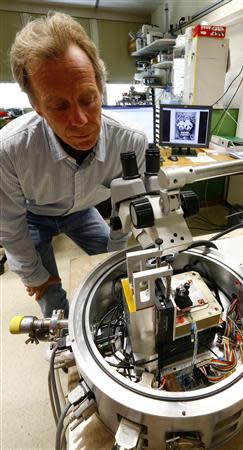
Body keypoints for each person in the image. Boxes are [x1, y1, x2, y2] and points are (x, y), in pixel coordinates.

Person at [0, 12, 147, 318]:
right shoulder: (10, 150)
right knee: (51, 297)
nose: (80, 121)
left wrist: (118, 256)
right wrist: (36, 278)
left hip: (83, 211)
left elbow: (128, 212)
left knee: (117, 270)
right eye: (59, 106)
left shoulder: (131, 143)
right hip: (34, 215)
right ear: (36, 106)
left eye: (88, 99)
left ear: (101, 89)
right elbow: (10, 228)